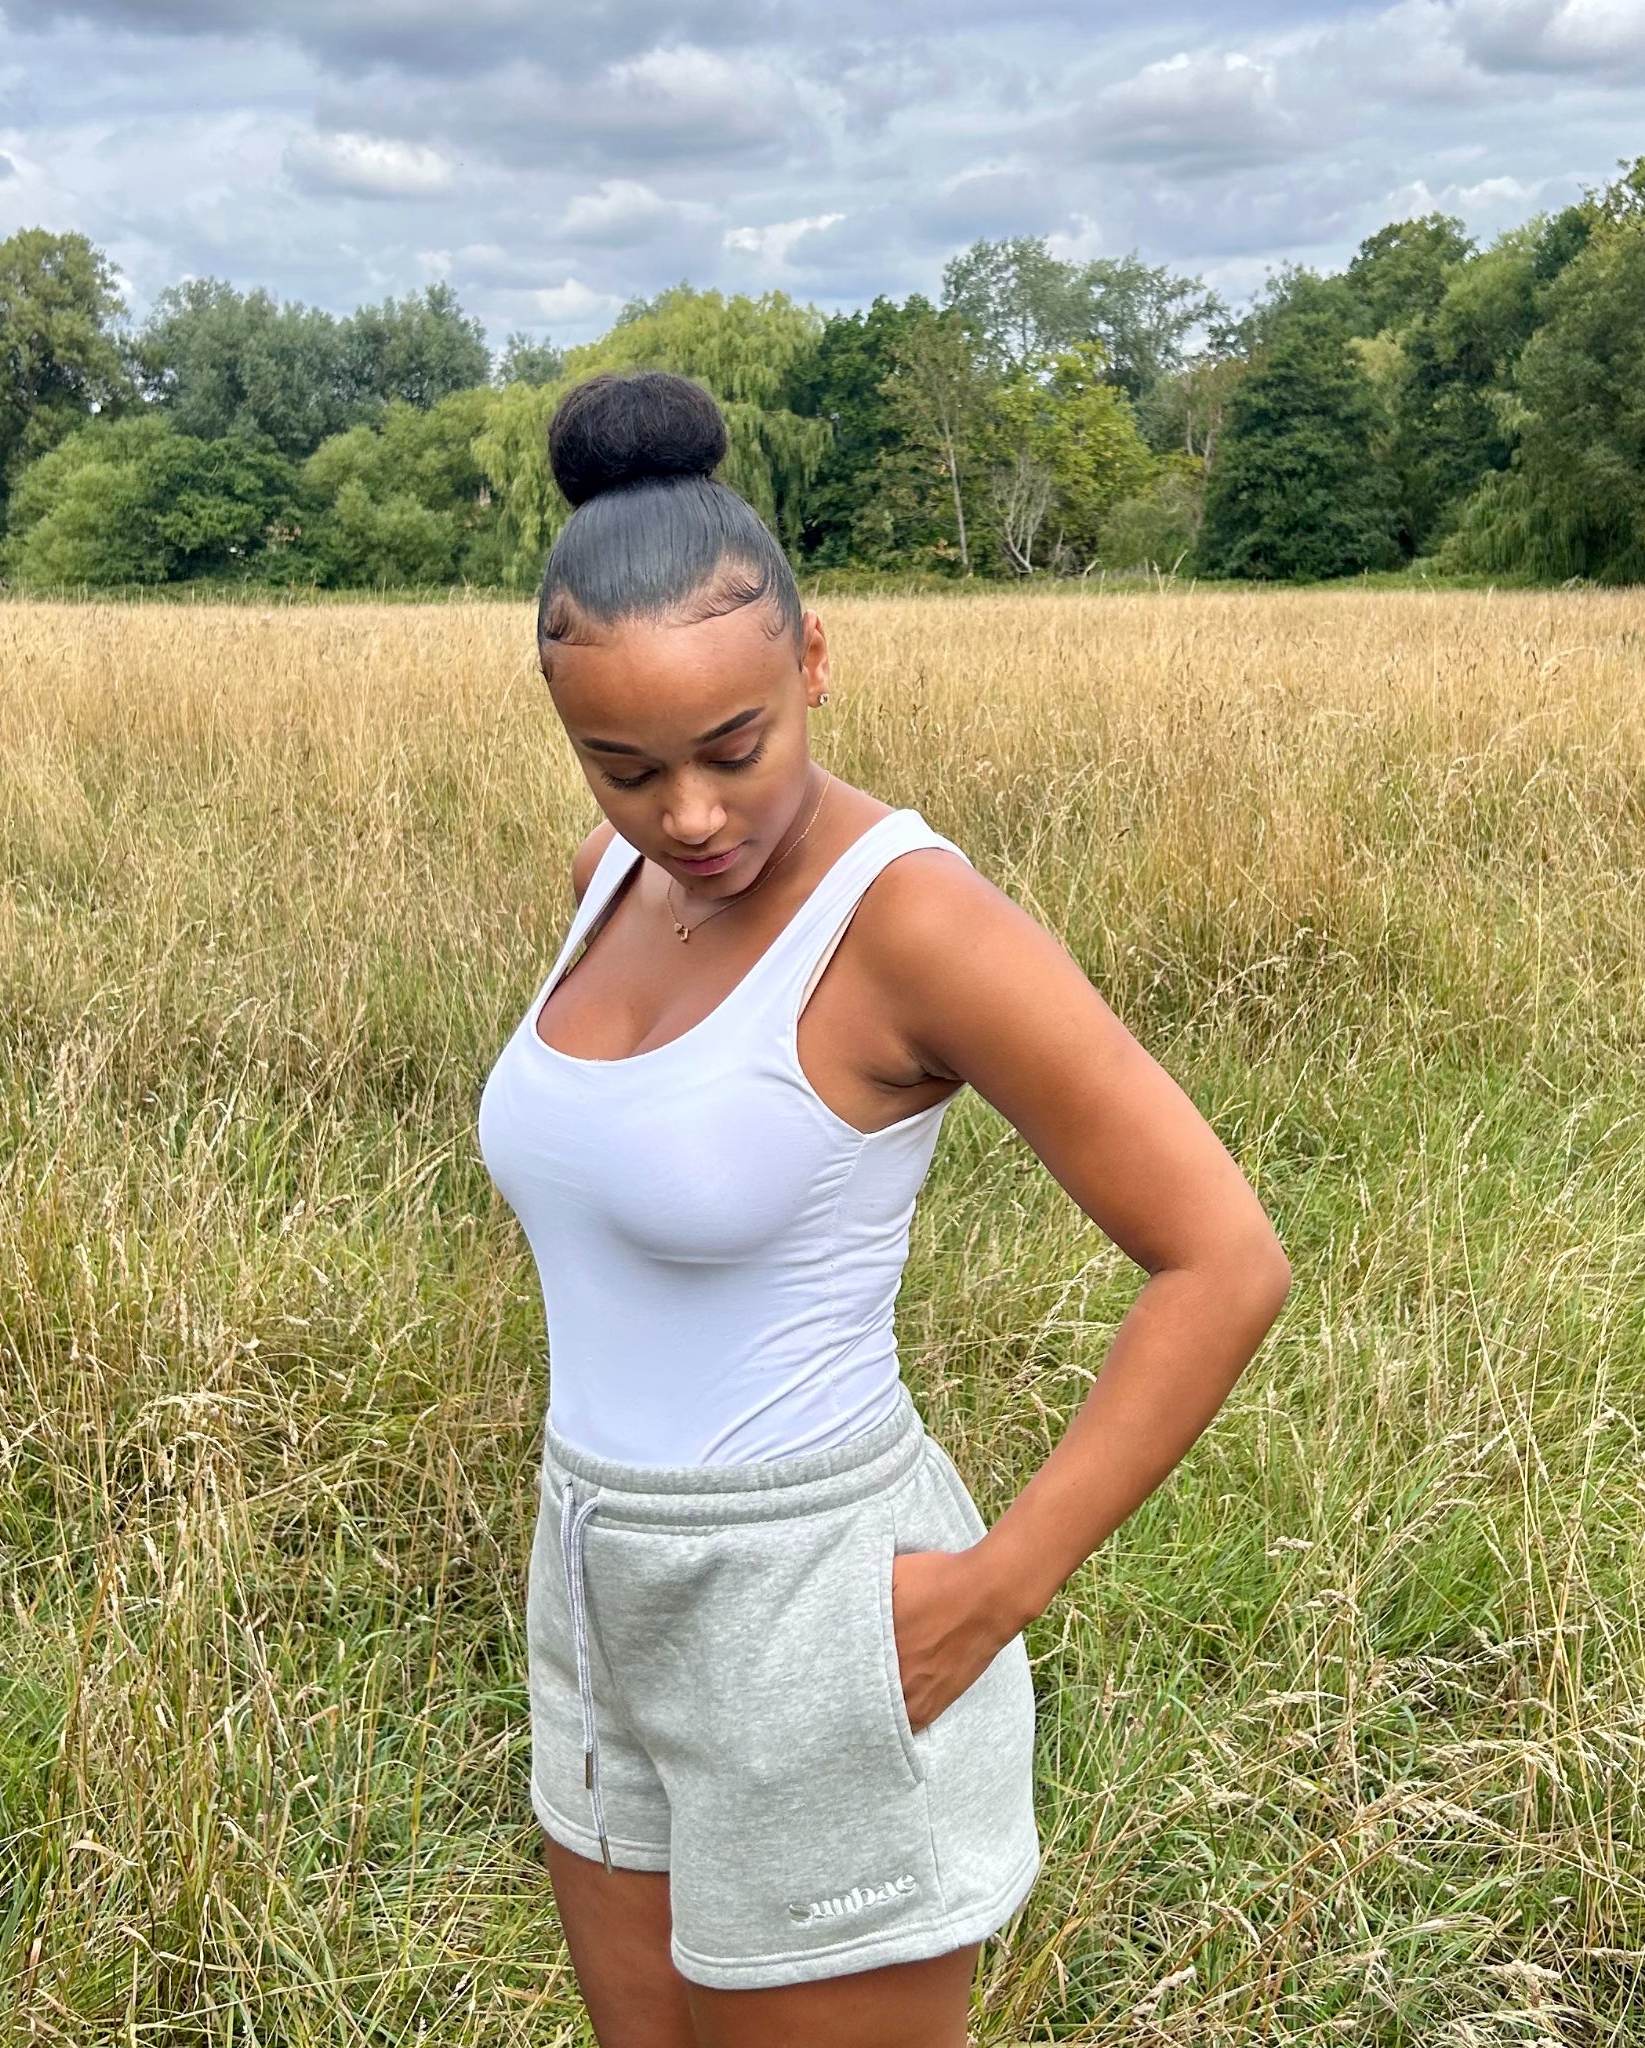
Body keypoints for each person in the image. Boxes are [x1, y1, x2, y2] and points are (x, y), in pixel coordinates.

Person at [477, 368, 1290, 2048]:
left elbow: (1223, 1259)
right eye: (624, 767)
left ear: (815, 659)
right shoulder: (606, 882)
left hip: (816, 1586)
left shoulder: (913, 923)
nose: (688, 816)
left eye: (733, 748)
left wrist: (990, 1590)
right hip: (595, 1568)